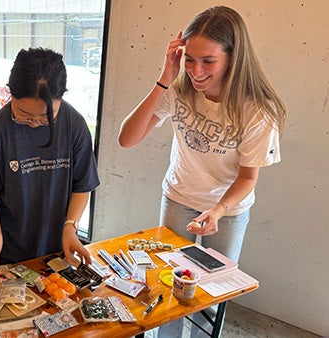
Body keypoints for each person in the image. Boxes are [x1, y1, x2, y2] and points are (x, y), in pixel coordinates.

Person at [118, 6, 286, 337]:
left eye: (208, 61)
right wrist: (164, 78)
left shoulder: (257, 110)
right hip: (179, 197)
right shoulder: (179, 88)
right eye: (189, 59)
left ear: (233, 58)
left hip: (228, 209)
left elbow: (248, 177)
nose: (196, 70)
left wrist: (218, 210)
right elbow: (127, 139)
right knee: (169, 284)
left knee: (210, 293)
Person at [0, 47, 100, 272]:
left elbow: (82, 186)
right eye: (25, 114)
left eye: (46, 116)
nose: (35, 123)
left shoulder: (74, 125)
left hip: (58, 244)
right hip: (8, 248)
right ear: (11, 93)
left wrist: (71, 226)